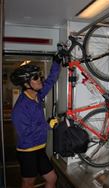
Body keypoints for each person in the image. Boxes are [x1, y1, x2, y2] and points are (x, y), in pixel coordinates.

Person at [10, 54, 62, 188]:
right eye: (35, 78)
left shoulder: (37, 95)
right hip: (27, 152)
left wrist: (56, 62)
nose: (40, 79)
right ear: (27, 84)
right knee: (28, 183)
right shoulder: (20, 108)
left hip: (39, 149)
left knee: (52, 179)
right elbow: (25, 132)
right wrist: (47, 125)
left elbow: (50, 80)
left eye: (38, 76)